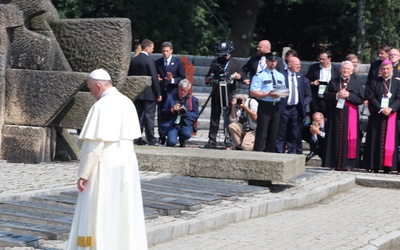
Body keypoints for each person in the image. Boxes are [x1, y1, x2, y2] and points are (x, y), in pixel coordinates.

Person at [66, 69, 147, 250]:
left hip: (105, 165)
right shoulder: (127, 102)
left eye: (90, 89)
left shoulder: (101, 106)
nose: (91, 93)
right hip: (127, 164)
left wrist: (83, 174)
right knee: (123, 210)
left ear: (99, 86)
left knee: (102, 209)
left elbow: (93, 147)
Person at [322, 61, 364, 170]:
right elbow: (326, 96)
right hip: (335, 114)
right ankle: (333, 162)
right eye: (343, 68)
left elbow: (360, 99)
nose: (345, 70)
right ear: (340, 69)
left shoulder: (356, 82)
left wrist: (349, 95)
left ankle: (348, 164)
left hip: (350, 115)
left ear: (352, 70)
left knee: (348, 138)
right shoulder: (333, 81)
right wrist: (336, 95)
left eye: (347, 69)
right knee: (334, 136)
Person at [203, 41, 244, 149]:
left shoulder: (235, 63)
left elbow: (242, 76)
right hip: (217, 92)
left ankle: (229, 140)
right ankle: (212, 140)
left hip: (229, 93)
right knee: (214, 117)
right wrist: (209, 79)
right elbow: (208, 77)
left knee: (228, 117)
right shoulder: (215, 62)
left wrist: (239, 76)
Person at [363, 59, 400, 173]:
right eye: (383, 69)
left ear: (392, 70)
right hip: (377, 117)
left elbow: (399, 98)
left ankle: (388, 167)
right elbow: (371, 96)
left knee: (390, 142)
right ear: (380, 70)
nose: (385, 71)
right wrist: (380, 108)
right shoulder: (374, 81)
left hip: (391, 116)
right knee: (375, 140)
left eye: (387, 68)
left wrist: (391, 108)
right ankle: (374, 165)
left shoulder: (397, 82)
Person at [128, 39, 162, 146]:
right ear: (147, 48)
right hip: (149, 93)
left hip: (137, 93)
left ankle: (136, 138)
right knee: (149, 117)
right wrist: (158, 93)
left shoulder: (133, 60)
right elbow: (154, 78)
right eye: (152, 48)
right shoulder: (149, 61)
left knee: (136, 116)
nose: (153, 50)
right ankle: (151, 139)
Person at [250, 52, 286, 152]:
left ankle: (270, 154)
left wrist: (282, 93)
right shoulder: (259, 75)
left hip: (276, 105)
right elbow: (253, 92)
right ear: (266, 61)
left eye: (274, 61)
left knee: (274, 133)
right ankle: (258, 153)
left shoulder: (280, 76)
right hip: (265, 105)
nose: (273, 63)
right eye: (270, 61)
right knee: (262, 132)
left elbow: (284, 91)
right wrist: (267, 94)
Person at [276, 57, 312, 154]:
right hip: (284, 108)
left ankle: (293, 154)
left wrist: (302, 103)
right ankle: (280, 153)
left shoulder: (301, 77)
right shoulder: (281, 75)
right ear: (289, 65)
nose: (298, 66)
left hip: (296, 109)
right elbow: (278, 94)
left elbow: (308, 95)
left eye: (299, 64)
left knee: (294, 133)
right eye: (296, 64)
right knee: (281, 133)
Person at [155, 42, 186, 145]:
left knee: (173, 113)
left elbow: (182, 77)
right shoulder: (158, 62)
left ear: (171, 51)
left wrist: (172, 80)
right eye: (163, 51)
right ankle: (161, 135)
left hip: (173, 93)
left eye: (167, 51)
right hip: (162, 92)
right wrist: (158, 80)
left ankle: (175, 135)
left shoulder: (177, 62)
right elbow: (156, 76)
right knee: (161, 114)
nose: (165, 53)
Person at [160, 79, 199, 147]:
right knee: (171, 143)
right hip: (173, 124)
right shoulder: (171, 97)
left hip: (185, 124)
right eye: (181, 90)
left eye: (185, 91)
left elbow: (196, 114)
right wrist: (171, 110)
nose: (183, 92)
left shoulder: (192, 99)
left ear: (188, 90)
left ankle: (182, 139)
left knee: (186, 134)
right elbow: (163, 112)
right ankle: (168, 137)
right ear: (178, 88)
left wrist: (185, 113)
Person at [306, 50, 341, 116]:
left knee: (328, 121)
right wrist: (313, 83)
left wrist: (331, 84)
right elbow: (307, 80)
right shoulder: (314, 68)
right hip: (316, 99)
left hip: (330, 100)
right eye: (320, 59)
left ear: (329, 59)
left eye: (323, 59)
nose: (321, 61)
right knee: (315, 119)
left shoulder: (336, 69)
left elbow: (339, 82)